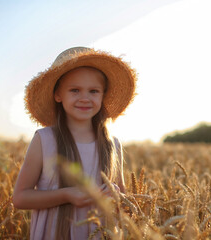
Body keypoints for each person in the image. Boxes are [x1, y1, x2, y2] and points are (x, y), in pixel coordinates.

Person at [12, 46, 137, 240]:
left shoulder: (113, 145)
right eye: (75, 90)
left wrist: (120, 200)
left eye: (93, 91)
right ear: (58, 95)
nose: (85, 98)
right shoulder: (44, 140)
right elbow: (20, 198)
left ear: (103, 95)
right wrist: (67, 195)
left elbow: (123, 200)